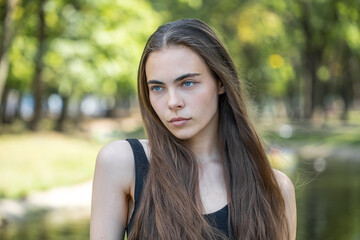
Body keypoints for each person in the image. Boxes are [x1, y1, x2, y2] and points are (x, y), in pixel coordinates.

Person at [90, 18, 296, 240]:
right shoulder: (122, 163)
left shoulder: (275, 189)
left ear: (220, 82)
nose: (172, 102)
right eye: (157, 87)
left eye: (187, 83)